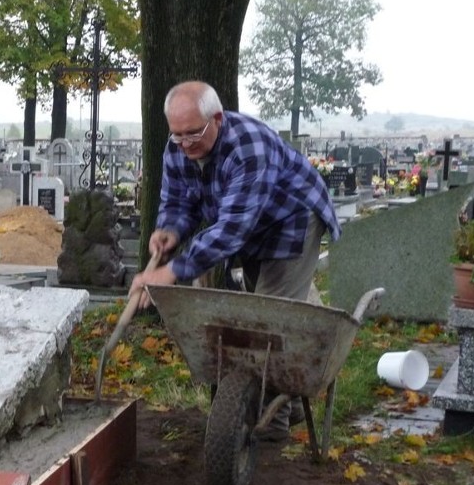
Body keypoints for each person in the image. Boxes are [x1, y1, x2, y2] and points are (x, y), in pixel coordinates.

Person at [130, 80, 341, 441]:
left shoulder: (248, 148)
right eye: (177, 135)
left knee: (271, 321)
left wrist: (172, 271)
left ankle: (271, 427)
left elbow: (230, 231)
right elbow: (179, 202)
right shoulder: (178, 145)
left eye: (193, 134)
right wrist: (171, 231)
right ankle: (283, 369)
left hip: (291, 221)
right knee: (264, 310)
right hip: (249, 226)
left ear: (217, 118)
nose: (185, 144)